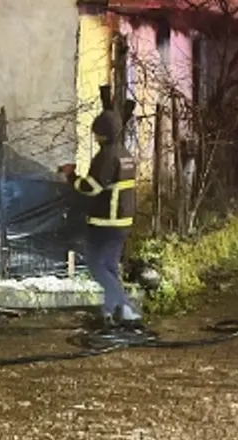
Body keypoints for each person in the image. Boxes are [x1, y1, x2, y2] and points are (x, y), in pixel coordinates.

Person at [65, 109, 141, 330]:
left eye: (96, 133)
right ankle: (111, 311)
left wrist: (70, 176)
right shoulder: (125, 154)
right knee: (110, 267)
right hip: (123, 221)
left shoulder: (106, 157)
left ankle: (126, 308)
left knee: (96, 265)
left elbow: (91, 188)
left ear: (104, 134)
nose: (95, 138)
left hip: (106, 221)